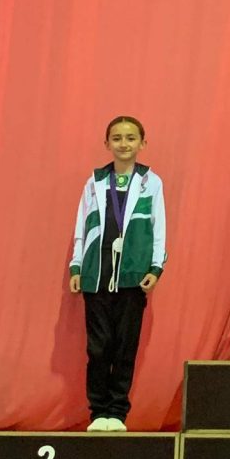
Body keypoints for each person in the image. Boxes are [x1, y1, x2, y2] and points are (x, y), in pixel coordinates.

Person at [69, 116, 167, 431]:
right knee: (98, 347)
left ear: (142, 143)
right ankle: (98, 412)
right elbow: (81, 224)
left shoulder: (151, 181)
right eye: (117, 138)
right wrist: (76, 265)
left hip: (133, 275)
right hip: (96, 275)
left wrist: (156, 267)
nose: (124, 144)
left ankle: (117, 412)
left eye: (130, 138)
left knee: (125, 346)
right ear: (107, 143)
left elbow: (159, 228)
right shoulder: (95, 181)